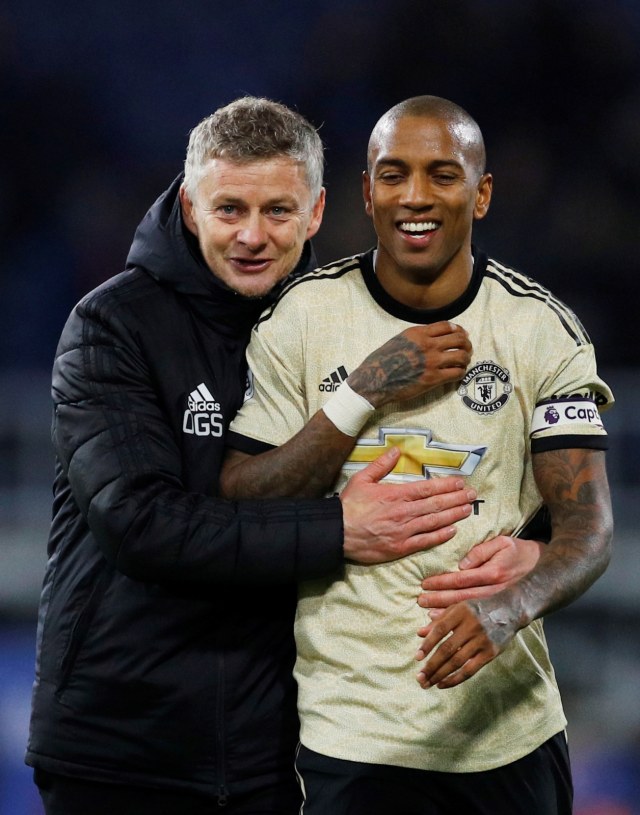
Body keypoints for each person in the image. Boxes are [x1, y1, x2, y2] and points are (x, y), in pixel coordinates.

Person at [25, 96, 537, 815]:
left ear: (318, 211)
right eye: (230, 209)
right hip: (123, 749)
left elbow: (449, 483)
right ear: (191, 204)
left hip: (278, 754)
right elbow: (139, 522)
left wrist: (535, 550)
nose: (253, 236)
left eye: (278, 211)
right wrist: (337, 530)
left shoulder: (343, 326)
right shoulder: (113, 324)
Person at [220, 95, 615, 814]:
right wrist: (362, 391)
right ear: (367, 191)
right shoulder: (302, 317)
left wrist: (512, 603)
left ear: (482, 192)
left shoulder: (540, 329)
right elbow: (242, 496)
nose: (416, 196)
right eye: (394, 174)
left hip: (509, 735)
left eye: (443, 173)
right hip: (350, 740)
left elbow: (590, 530)